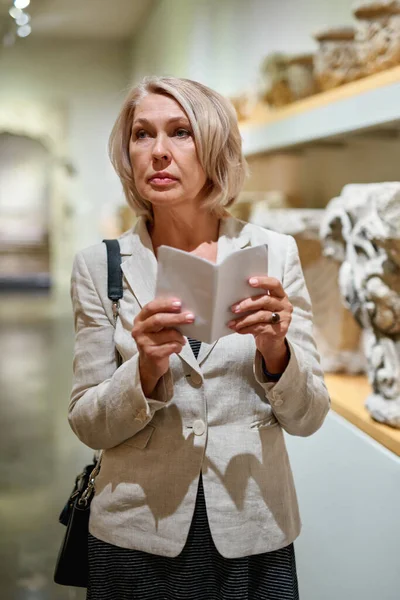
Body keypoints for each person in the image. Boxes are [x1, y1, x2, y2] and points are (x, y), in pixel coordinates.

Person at [69, 76, 330, 600]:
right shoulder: (102, 266)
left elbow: (309, 417)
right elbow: (87, 422)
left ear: (214, 144)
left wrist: (276, 351)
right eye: (142, 135)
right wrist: (143, 369)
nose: (158, 152)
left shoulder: (273, 253)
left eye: (180, 132)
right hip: (137, 532)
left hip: (254, 526)